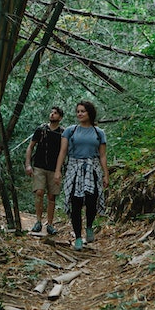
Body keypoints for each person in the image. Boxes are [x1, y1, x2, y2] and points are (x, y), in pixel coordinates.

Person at [54, 101, 109, 250]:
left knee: (92, 201)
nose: (79, 114)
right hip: (74, 167)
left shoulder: (99, 133)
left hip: (92, 168)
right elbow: (63, 151)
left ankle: (89, 226)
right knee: (75, 203)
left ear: (89, 113)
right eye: (78, 111)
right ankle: (78, 237)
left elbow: (102, 155)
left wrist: (105, 174)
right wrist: (58, 171)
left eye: (83, 111)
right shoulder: (70, 131)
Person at [25, 106, 65, 235]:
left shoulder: (62, 133)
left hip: (54, 168)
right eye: (51, 112)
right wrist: (28, 164)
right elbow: (30, 147)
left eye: (55, 113)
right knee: (39, 192)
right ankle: (38, 221)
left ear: (60, 117)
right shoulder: (41, 130)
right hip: (39, 166)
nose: (52, 115)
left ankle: (50, 223)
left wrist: (60, 170)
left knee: (52, 195)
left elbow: (64, 152)